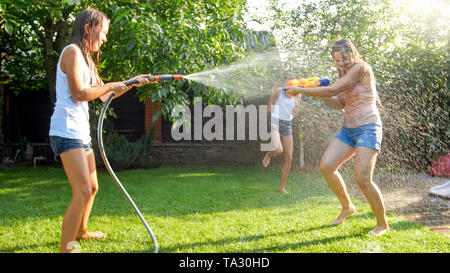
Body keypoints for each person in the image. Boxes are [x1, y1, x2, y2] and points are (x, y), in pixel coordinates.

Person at [49, 7, 154, 253]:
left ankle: (82, 232)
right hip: (66, 130)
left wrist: (131, 82)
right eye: (102, 32)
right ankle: (66, 249)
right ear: (88, 28)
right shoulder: (73, 53)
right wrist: (117, 83)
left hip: (79, 132)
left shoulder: (86, 59)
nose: (104, 38)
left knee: (92, 188)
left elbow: (104, 95)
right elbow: (79, 93)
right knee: (83, 190)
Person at [285, 39, 389, 235]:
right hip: (348, 130)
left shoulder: (361, 68)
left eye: (341, 59)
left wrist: (300, 90)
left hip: (368, 128)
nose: (339, 63)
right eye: (336, 60)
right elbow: (339, 102)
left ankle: (382, 224)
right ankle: (347, 206)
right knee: (326, 166)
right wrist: (320, 92)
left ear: (351, 53)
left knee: (363, 178)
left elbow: (333, 89)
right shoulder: (345, 73)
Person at [263, 74, 302, 194]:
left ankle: (281, 187)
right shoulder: (279, 91)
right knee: (278, 149)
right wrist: (272, 95)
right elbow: (269, 107)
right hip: (275, 120)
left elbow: (295, 114)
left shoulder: (298, 95)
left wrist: (296, 105)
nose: (290, 85)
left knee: (289, 157)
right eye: (288, 83)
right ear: (285, 83)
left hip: (287, 123)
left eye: (293, 83)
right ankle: (269, 155)